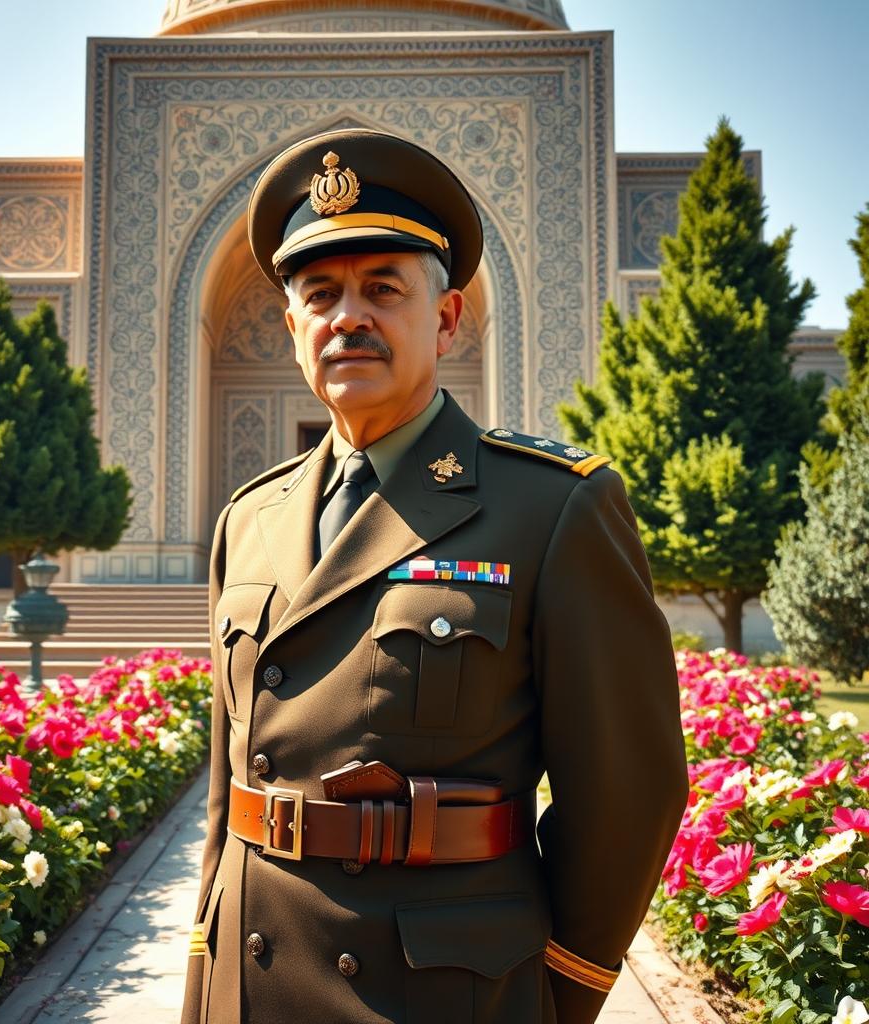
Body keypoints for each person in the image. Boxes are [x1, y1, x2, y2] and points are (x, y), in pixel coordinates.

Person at [180, 128, 688, 1024]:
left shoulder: (552, 508)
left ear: (447, 318)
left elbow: (628, 794)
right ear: (291, 323)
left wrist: (556, 993)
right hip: (252, 983)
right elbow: (231, 788)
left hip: (438, 991)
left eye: (384, 289)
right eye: (320, 294)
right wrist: (205, 977)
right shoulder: (248, 520)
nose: (349, 317)